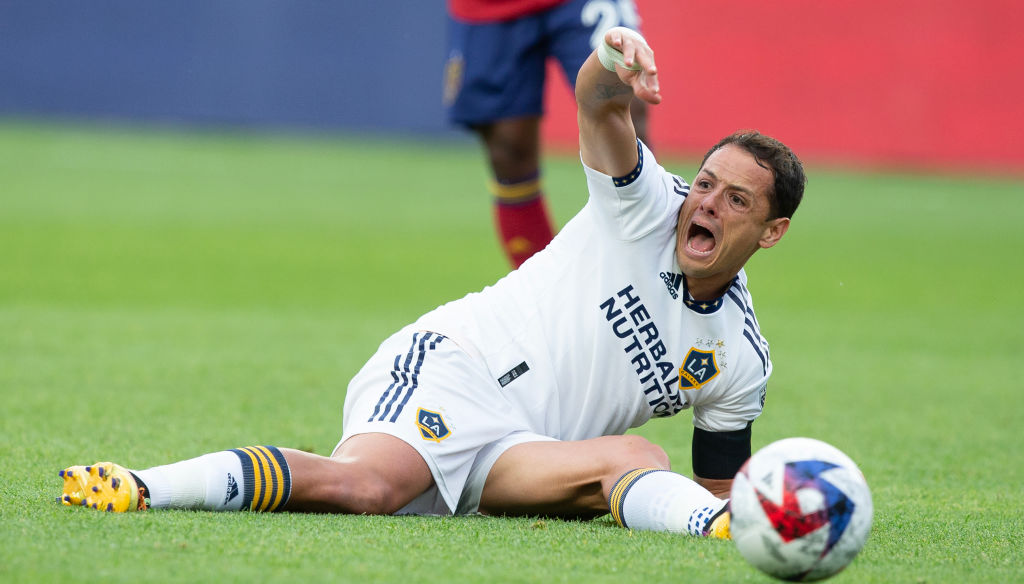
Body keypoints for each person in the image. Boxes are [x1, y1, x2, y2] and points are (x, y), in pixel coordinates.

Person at [59, 27, 805, 540]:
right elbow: (600, 105)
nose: (705, 203)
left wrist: (745, 522)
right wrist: (612, 62)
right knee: (366, 492)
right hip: (454, 367)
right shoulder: (647, 204)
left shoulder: (738, 360)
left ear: (771, 232)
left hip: (522, 450)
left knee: (643, 460)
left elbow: (715, 491)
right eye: (707, 182)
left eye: (736, 200)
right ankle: (138, 484)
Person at [444, 0, 650, 268]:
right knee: (508, 146)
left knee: (622, 103)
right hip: (490, 8)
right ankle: (548, 294)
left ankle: (647, 271)